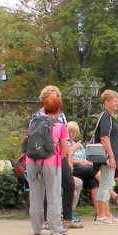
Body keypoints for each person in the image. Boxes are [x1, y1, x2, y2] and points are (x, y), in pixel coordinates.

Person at [30, 85, 81, 227]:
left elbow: (64, 138)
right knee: (48, 189)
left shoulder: (61, 115)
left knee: (69, 184)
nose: (54, 98)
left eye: (56, 96)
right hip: (44, 155)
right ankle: (48, 221)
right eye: (51, 96)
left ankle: (67, 218)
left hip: (60, 155)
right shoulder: (37, 116)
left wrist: (68, 158)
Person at [23, 93, 69, 235]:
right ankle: (55, 228)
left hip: (31, 161)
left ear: (44, 108)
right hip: (51, 162)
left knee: (35, 195)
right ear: (58, 110)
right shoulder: (60, 125)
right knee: (53, 195)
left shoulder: (33, 123)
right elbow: (64, 149)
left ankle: (36, 228)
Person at [92, 89, 118, 226]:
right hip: (106, 156)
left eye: (117, 100)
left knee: (107, 184)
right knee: (105, 185)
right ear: (106, 102)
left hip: (110, 156)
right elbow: (104, 137)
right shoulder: (105, 117)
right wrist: (111, 156)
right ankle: (101, 215)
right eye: (114, 100)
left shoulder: (109, 117)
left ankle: (105, 213)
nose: (117, 103)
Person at [64, 122, 86, 228]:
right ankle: (67, 213)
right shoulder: (66, 144)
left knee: (82, 181)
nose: (71, 134)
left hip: (78, 169)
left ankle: (71, 212)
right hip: (69, 170)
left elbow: (85, 157)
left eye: (73, 132)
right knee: (73, 189)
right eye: (69, 132)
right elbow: (67, 159)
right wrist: (78, 162)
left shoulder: (79, 145)